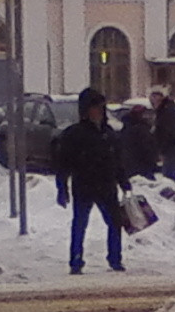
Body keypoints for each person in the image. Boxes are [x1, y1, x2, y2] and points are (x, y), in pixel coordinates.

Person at [54, 87, 126, 274]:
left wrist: (124, 181)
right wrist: (62, 188)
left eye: (101, 108)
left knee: (115, 222)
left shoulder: (108, 133)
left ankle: (115, 258)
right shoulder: (74, 134)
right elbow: (63, 163)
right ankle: (76, 260)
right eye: (95, 108)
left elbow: (117, 160)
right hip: (84, 185)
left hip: (107, 186)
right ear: (85, 110)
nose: (99, 112)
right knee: (80, 223)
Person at [149, 81, 175, 182]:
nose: (152, 100)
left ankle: (173, 196)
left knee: (170, 179)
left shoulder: (168, 110)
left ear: (161, 97)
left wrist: (161, 147)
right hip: (170, 148)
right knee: (170, 177)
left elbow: (168, 132)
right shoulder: (163, 109)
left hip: (172, 148)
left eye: (155, 96)